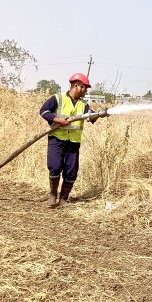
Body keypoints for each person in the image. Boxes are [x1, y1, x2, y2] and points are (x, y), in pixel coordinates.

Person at [39, 72, 108, 208]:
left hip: (73, 142)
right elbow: (44, 111)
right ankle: (53, 195)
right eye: (84, 87)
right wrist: (57, 120)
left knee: (71, 171)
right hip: (57, 139)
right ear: (76, 86)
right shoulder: (57, 98)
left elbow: (90, 117)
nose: (86, 90)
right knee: (55, 166)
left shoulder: (83, 105)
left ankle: (64, 199)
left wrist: (100, 115)